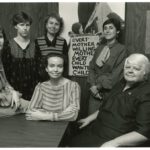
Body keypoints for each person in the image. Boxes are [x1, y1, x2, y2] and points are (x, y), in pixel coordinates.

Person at [68, 53, 150, 147]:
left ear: (145, 72)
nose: (130, 71)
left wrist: (114, 143)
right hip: (96, 130)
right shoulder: (120, 83)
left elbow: (144, 133)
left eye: (136, 68)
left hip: (116, 139)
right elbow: (106, 107)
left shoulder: (146, 93)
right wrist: (89, 119)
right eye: (127, 67)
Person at [87, 18, 127, 114]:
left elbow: (117, 75)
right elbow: (91, 68)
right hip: (94, 94)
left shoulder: (122, 49)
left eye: (111, 28)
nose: (107, 31)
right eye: (105, 28)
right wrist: (93, 86)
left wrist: (98, 86)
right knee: (90, 123)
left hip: (110, 94)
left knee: (107, 123)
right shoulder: (99, 48)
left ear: (117, 31)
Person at [26, 52, 80, 121]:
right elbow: (30, 112)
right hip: (43, 128)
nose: (56, 70)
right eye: (52, 66)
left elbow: (73, 115)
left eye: (60, 66)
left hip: (65, 128)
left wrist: (44, 116)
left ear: (63, 68)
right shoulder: (41, 87)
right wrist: (63, 113)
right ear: (46, 68)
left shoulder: (73, 86)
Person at [2, 11, 38, 100]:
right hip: (13, 93)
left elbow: (38, 72)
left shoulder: (35, 46)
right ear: (15, 26)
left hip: (32, 93)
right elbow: (4, 72)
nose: (25, 28)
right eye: (22, 25)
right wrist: (10, 91)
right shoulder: (8, 45)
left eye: (27, 25)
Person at [0, 25, 28, 117]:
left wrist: (13, 92)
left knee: (33, 105)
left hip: (5, 99)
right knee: (31, 106)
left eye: (0, 37)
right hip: (3, 101)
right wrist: (11, 96)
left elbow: (5, 83)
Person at [35, 12, 69, 82]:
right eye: (51, 23)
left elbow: (65, 62)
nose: (53, 26)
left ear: (60, 27)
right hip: (43, 79)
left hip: (59, 79)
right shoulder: (38, 41)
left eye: (56, 24)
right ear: (46, 24)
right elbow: (36, 63)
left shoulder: (62, 41)